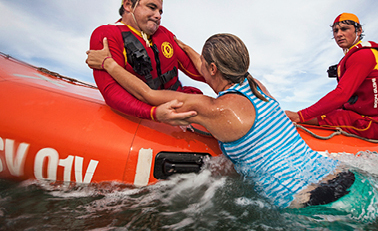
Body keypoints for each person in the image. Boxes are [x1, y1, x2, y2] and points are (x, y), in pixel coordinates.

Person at [86, 33, 357, 209]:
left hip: (307, 202)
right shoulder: (257, 86)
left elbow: (147, 93)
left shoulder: (212, 108)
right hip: (341, 173)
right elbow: (206, 66)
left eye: (204, 64)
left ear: (212, 69)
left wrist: (108, 64)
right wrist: (178, 44)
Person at [89, 0, 205, 123]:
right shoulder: (106, 34)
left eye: (160, 12)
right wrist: (153, 113)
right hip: (145, 107)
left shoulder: (165, 34)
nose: (158, 16)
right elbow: (111, 90)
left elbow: (196, 70)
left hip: (178, 100)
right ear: (128, 5)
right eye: (151, 7)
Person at [285, 13, 378, 140]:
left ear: (359, 31)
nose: (338, 34)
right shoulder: (351, 56)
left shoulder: (364, 55)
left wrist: (300, 116)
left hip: (371, 124)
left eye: (344, 29)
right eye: (335, 31)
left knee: (300, 117)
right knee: (318, 115)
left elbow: (342, 94)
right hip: (355, 117)